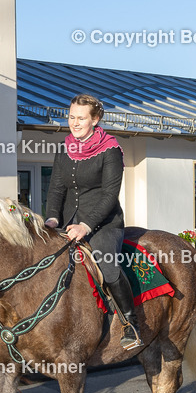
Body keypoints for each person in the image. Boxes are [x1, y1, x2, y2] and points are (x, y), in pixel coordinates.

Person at [44, 94, 141, 350]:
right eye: (71, 117)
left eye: (81, 118)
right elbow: (55, 189)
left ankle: (130, 322)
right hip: (66, 224)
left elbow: (110, 195)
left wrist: (85, 226)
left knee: (108, 267)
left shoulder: (110, 149)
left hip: (104, 224)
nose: (74, 123)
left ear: (95, 119)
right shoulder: (63, 149)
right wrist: (53, 218)